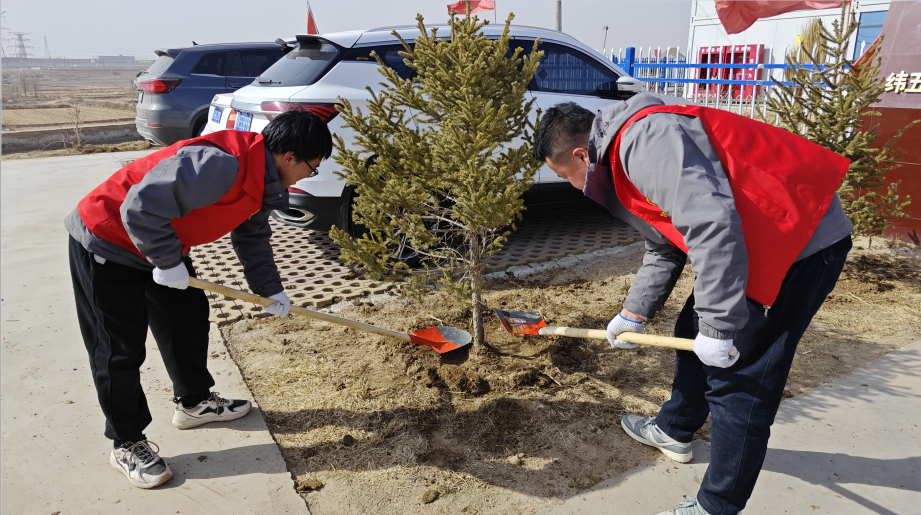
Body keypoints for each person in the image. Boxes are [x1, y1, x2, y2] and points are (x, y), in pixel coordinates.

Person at [533, 94, 852, 515]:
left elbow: (712, 226)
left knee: (741, 380)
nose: (574, 186)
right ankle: (675, 429)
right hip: (753, 240)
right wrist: (633, 313)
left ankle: (716, 506)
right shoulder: (619, 156)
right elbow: (665, 243)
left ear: (580, 154)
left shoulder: (645, 141)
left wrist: (720, 327)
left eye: (566, 176)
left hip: (797, 245)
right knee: (691, 328)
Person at [67, 110, 332, 489]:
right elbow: (139, 208)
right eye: (313, 167)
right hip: (108, 237)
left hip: (159, 241)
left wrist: (269, 288)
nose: (309, 175)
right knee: (118, 349)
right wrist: (167, 262)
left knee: (187, 319)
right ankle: (126, 442)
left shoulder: (264, 180)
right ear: (289, 158)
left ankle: (193, 404)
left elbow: (252, 237)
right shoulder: (221, 165)